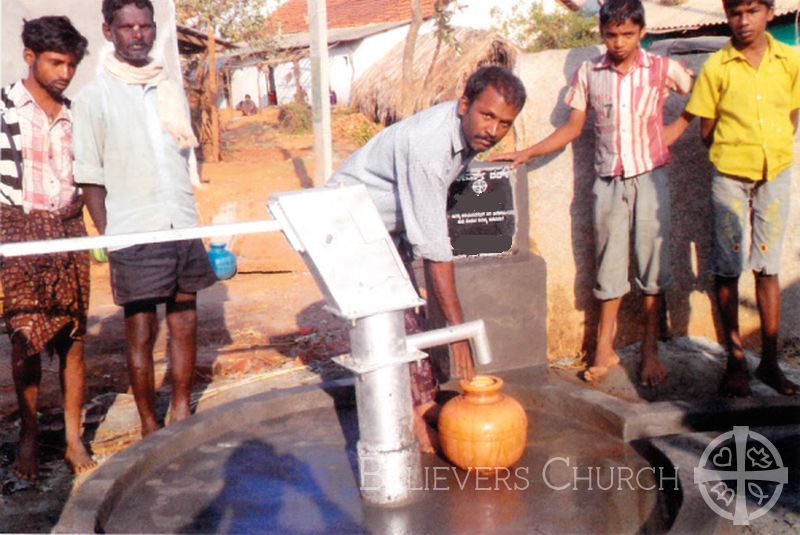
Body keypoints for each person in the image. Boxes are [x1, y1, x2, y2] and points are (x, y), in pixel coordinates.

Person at [490, 0, 693, 387]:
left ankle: (651, 349)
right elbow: (572, 127)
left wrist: (676, 130)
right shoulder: (590, 73)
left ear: (642, 33)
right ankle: (604, 348)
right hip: (607, 181)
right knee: (608, 265)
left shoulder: (661, 68)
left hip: (650, 178)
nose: (619, 43)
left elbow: (701, 94)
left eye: (628, 35)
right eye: (611, 35)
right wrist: (528, 152)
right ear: (601, 34)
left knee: (652, 267)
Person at [327, 66, 526, 451]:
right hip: (347, 224)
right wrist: (458, 334)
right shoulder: (429, 147)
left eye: (504, 123)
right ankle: (411, 424)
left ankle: (424, 404)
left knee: (409, 321)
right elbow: (436, 252)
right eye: (487, 116)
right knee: (389, 327)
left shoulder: (466, 139)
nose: (493, 130)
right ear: (464, 104)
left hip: (383, 228)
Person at [72, 0, 218, 437]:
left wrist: (186, 220)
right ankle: (149, 423)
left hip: (180, 222)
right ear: (108, 31)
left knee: (185, 320)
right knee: (140, 333)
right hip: (133, 230)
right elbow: (89, 177)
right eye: (127, 27)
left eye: (145, 26)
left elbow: (178, 159)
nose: (138, 35)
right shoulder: (93, 98)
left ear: (154, 30)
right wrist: (110, 236)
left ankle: (180, 410)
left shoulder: (168, 87)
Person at [683, 0, 799, 396]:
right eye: (735, 12)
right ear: (726, 14)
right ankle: (735, 360)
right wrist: (734, 154)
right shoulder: (717, 67)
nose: (743, 20)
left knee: (767, 266)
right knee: (728, 266)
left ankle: (769, 362)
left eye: (752, 10)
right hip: (730, 176)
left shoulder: (789, 60)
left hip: (775, 173)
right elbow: (705, 129)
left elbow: (792, 114)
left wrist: (773, 148)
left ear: (769, 12)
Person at [0, 16, 95, 480]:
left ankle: (74, 439)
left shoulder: (75, 114)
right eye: (56, 62)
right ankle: (31, 436)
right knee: (26, 339)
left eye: (72, 64)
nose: (65, 72)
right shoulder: (3, 110)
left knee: (73, 338)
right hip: (16, 229)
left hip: (69, 229)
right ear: (30, 57)